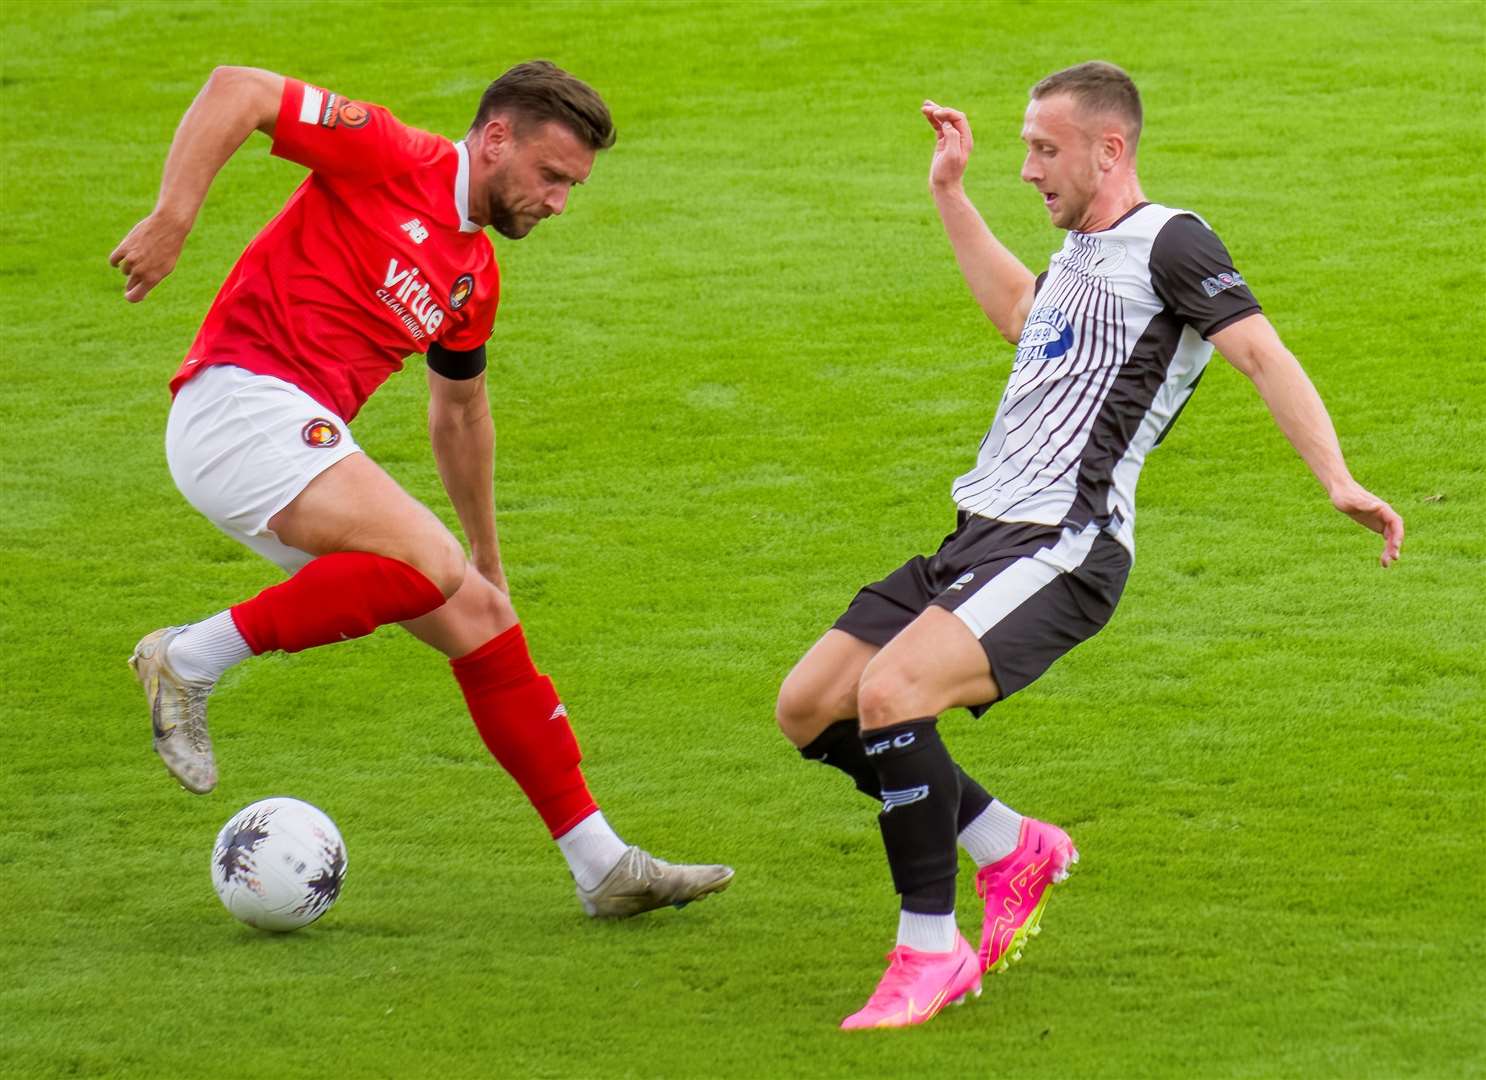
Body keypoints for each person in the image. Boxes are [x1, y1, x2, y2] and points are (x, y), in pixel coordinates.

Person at [775, 61, 1404, 1029]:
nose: (1027, 168)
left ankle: (927, 952)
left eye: (1043, 148)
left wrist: (1337, 479)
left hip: (1065, 545)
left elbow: (1260, 353)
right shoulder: (1076, 251)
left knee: (891, 696)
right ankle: (1009, 845)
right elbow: (1023, 322)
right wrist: (948, 192)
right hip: (978, 532)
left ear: (1110, 150)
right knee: (812, 708)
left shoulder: (1172, 241)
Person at [112, 61, 733, 919]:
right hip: (238, 402)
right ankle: (187, 657)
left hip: (288, 441)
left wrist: (487, 553)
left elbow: (460, 414)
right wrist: (175, 217)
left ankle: (602, 867)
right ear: (496, 137)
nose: (557, 203)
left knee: (479, 615)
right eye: (551, 177)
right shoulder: (388, 152)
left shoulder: (474, 276)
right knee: (426, 560)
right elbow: (236, 90)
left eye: (572, 188)